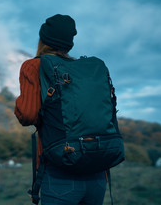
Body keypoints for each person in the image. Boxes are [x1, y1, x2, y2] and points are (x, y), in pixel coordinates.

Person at [15, 14, 107, 205]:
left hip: (60, 172)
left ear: (43, 40)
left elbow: (27, 115)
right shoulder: (84, 70)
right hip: (98, 173)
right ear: (69, 43)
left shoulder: (34, 66)